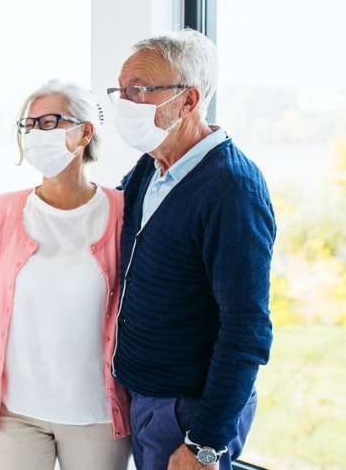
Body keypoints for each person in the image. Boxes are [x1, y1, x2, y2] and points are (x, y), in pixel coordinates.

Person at [108, 28, 275, 470]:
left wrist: (204, 443)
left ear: (187, 101)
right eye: (120, 91)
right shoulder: (150, 166)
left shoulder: (231, 188)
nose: (123, 103)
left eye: (139, 90)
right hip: (144, 395)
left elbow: (247, 328)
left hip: (187, 411)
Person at [0, 79, 131, 470]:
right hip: (15, 411)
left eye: (49, 122)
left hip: (95, 413)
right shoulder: (2, 208)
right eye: (28, 125)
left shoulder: (122, 211)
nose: (35, 134)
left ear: (85, 132)